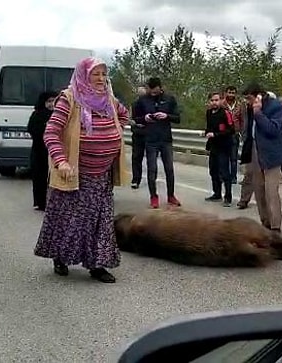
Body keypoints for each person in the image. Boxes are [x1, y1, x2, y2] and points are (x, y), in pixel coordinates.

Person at [33, 57, 129, 284]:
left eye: (104, 74)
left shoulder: (109, 100)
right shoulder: (69, 99)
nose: (101, 79)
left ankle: (97, 265)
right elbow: (51, 133)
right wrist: (62, 162)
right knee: (68, 221)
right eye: (95, 74)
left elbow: (124, 115)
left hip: (101, 175)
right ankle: (61, 258)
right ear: (83, 75)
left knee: (100, 222)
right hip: (74, 174)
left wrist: (112, 132)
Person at [239, 83, 282, 233]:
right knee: (258, 188)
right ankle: (265, 221)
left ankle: (275, 225)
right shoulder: (249, 108)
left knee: (270, 190)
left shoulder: (276, 107)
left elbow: (273, 130)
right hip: (255, 149)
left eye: (249, 98)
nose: (247, 101)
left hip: (271, 153)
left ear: (259, 95)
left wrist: (258, 114)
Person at [132, 77, 182, 208]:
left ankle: (171, 196)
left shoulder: (169, 99)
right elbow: (135, 119)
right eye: (151, 91)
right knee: (152, 169)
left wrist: (167, 116)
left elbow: (178, 118)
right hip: (150, 139)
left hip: (166, 139)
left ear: (160, 88)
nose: (153, 93)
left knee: (169, 169)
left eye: (155, 91)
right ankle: (153, 196)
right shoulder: (142, 101)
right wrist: (145, 118)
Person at [27, 91, 58, 211]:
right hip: (39, 151)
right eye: (49, 101)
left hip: (54, 151)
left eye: (53, 101)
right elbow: (31, 129)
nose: (51, 104)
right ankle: (41, 202)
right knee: (40, 177)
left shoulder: (59, 115)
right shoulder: (37, 114)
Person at [204, 92, 236, 206]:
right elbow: (209, 127)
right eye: (212, 100)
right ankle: (217, 193)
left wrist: (216, 134)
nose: (214, 103)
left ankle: (228, 197)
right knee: (213, 171)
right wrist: (207, 134)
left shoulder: (225, 113)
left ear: (221, 100)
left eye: (216, 100)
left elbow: (231, 130)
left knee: (224, 172)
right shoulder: (209, 113)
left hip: (224, 146)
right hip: (213, 146)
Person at [130, 84, 148, 189]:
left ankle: (151, 179)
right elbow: (130, 118)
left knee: (150, 158)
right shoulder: (133, 104)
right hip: (137, 133)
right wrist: (136, 124)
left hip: (148, 133)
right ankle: (136, 179)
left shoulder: (150, 104)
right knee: (136, 157)